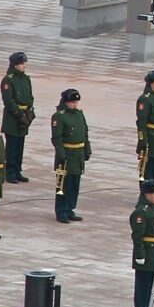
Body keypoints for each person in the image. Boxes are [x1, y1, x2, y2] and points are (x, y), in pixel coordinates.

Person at [50, 88, 91, 223]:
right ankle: (61, 211)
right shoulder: (59, 116)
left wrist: (87, 150)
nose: (75, 104)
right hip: (67, 155)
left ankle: (70, 208)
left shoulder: (79, 114)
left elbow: (85, 132)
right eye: (73, 102)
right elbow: (57, 138)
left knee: (75, 184)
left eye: (76, 102)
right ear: (66, 102)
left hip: (78, 154)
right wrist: (61, 154)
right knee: (64, 185)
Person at [0, 51, 35, 184]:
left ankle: (17, 170)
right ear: (14, 65)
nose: (24, 66)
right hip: (13, 117)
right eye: (21, 63)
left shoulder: (26, 78)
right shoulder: (8, 80)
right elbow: (8, 100)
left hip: (24, 116)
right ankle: (9, 172)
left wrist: (29, 110)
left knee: (20, 145)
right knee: (12, 146)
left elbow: (30, 96)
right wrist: (19, 113)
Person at [130, 180, 154, 307]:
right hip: (147, 252)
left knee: (152, 285)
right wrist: (140, 255)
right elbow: (138, 236)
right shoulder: (141, 212)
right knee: (143, 286)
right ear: (147, 194)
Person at [136, 70, 154, 184]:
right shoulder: (145, 99)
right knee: (149, 168)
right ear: (151, 83)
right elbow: (141, 122)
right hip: (152, 138)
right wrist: (143, 140)